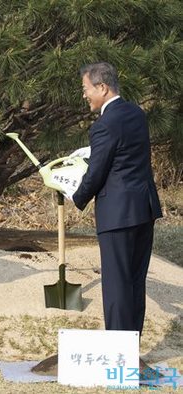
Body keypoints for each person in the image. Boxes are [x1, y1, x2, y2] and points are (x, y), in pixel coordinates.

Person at [65, 62, 162, 374]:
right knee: (135, 281)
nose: (85, 96)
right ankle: (132, 350)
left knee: (117, 285)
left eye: (86, 90)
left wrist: (74, 195)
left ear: (102, 88)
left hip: (117, 213)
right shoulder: (136, 114)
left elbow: (97, 172)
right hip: (144, 209)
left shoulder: (104, 124)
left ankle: (119, 357)